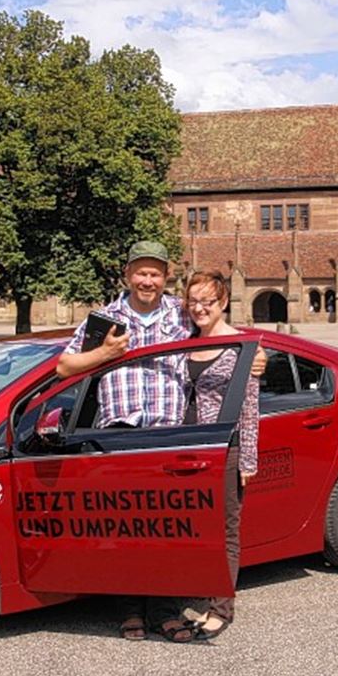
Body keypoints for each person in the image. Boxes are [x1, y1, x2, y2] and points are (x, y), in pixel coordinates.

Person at [56, 241, 265, 643]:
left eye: (155, 273)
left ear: (165, 277)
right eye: (141, 272)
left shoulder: (179, 312)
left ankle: (165, 611)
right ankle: (131, 610)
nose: (147, 280)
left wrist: (256, 356)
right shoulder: (105, 320)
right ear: (127, 274)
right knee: (126, 528)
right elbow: (65, 366)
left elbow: (218, 329)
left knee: (171, 529)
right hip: (120, 435)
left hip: (171, 436)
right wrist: (103, 352)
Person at [182, 270, 258, 641]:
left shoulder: (242, 347)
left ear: (223, 302)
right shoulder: (184, 342)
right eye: (193, 301)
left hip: (222, 449)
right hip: (184, 450)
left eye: (207, 301)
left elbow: (250, 407)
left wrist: (247, 460)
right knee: (191, 527)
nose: (199, 308)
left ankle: (220, 608)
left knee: (224, 530)